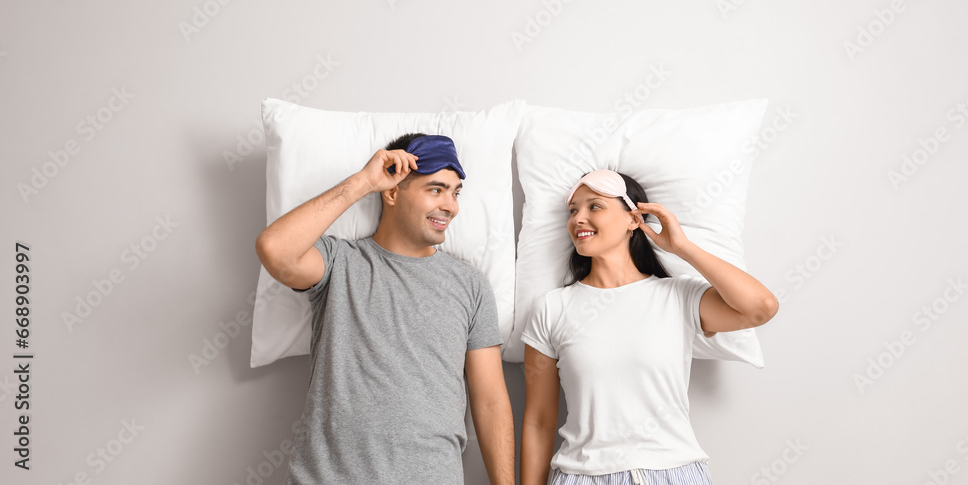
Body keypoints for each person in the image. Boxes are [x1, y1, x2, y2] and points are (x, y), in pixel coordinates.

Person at [255, 132, 515, 484]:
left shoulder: (470, 284)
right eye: (435, 189)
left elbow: (491, 400)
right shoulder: (340, 262)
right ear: (392, 191)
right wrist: (364, 182)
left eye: (455, 193)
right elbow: (274, 249)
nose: (451, 206)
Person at [520, 169, 779, 485]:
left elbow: (761, 308)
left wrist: (681, 246)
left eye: (594, 206)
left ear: (633, 219)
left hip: (675, 472)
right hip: (583, 475)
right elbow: (539, 420)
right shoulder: (552, 308)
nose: (578, 219)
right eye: (573, 210)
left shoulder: (677, 297)